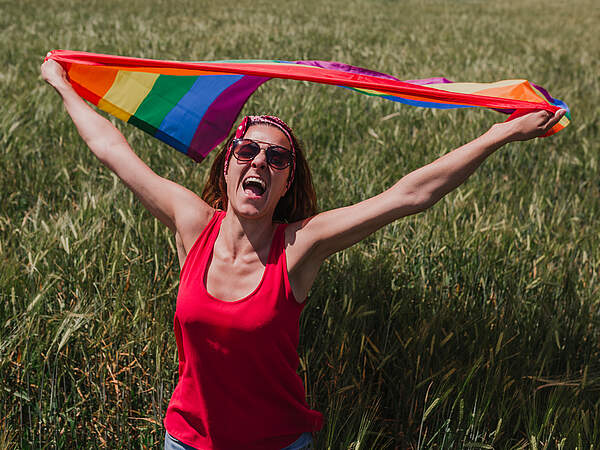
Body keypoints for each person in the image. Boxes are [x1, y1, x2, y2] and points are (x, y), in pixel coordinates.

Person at [40, 58, 565, 450]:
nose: (260, 163)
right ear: (227, 167)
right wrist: (64, 85)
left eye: (277, 158)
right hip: (186, 442)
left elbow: (410, 196)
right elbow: (112, 149)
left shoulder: (299, 248)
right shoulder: (192, 223)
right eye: (247, 151)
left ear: (287, 180)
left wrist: (502, 133)